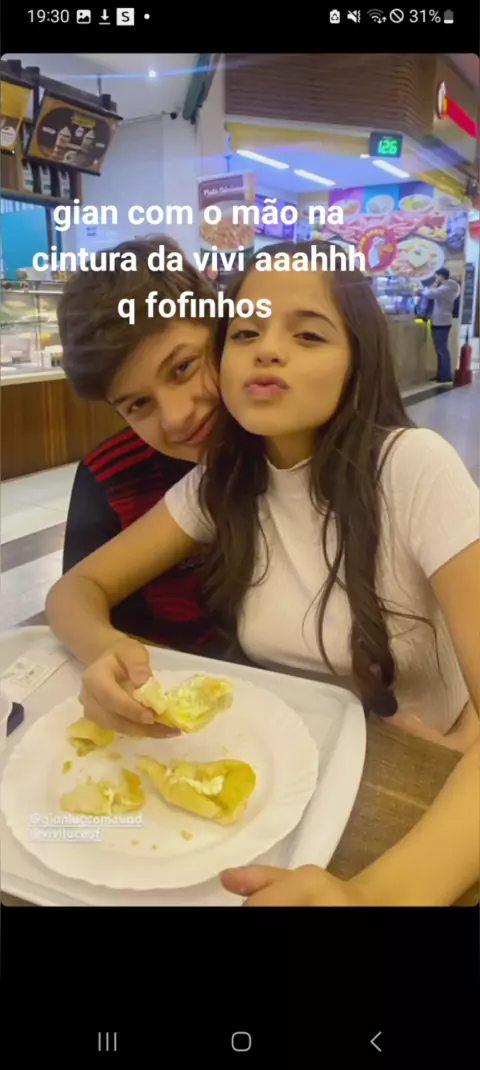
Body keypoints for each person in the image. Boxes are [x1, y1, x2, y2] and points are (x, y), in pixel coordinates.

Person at [46, 241, 479, 905]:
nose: (268, 350)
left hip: (421, 786)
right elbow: (75, 588)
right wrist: (105, 651)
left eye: (307, 334)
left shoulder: (414, 467)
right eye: (247, 333)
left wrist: (370, 898)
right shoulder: (221, 484)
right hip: (290, 776)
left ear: (357, 356)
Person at [58, 236, 221, 654]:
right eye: (138, 404)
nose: (176, 416)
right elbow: (81, 598)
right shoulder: (113, 479)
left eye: (182, 368)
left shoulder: (282, 442)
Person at [422, 267, 460, 384]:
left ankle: (445, 376)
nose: (436, 278)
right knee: (440, 349)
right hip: (441, 320)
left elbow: (429, 294)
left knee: (442, 350)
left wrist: (429, 286)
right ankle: (441, 374)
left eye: (437, 276)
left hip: (441, 321)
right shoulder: (449, 286)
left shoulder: (447, 288)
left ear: (441, 276)